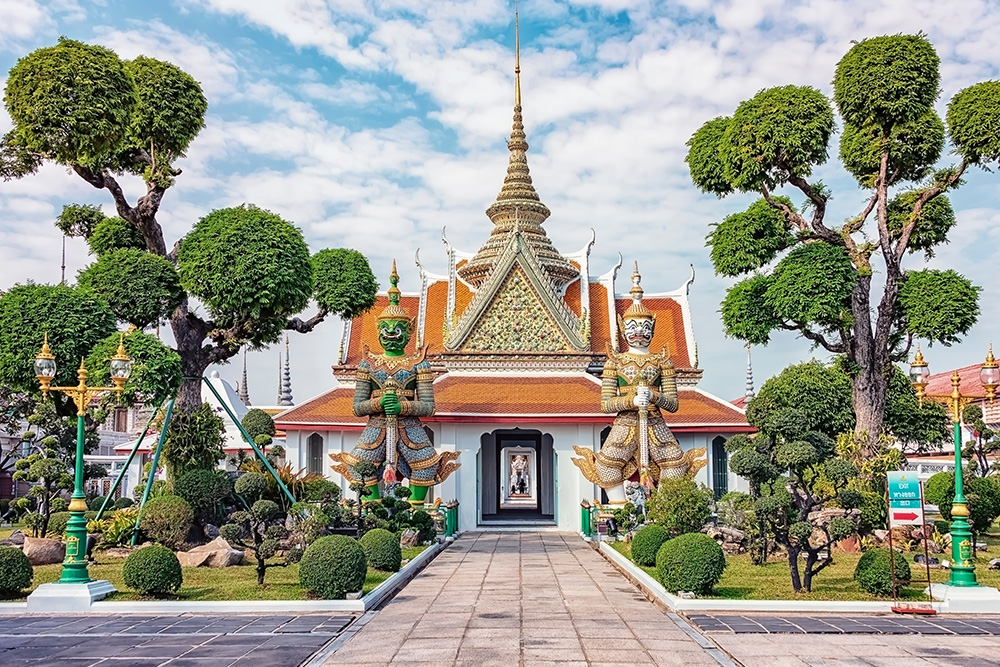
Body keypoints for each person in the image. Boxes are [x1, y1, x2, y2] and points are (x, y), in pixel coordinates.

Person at [329, 262, 460, 507]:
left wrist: (403, 407)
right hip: (377, 427)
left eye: (398, 328)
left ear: (409, 331)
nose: (391, 333)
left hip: (410, 427)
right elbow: (357, 407)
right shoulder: (368, 364)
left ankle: (413, 513)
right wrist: (379, 403)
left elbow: (429, 407)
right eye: (386, 328)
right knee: (360, 468)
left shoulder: (418, 363)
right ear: (378, 330)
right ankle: (372, 513)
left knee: (426, 467)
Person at [573, 263, 706, 502]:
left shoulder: (662, 361)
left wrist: (653, 397)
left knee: (676, 466)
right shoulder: (615, 362)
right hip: (624, 425)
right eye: (633, 327)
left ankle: (662, 510)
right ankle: (619, 509)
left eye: (645, 327)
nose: (639, 332)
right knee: (605, 467)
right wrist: (631, 400)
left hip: (654, 423)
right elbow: (605, 404)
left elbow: (673, 404)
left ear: (653, 328)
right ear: (623, 329)